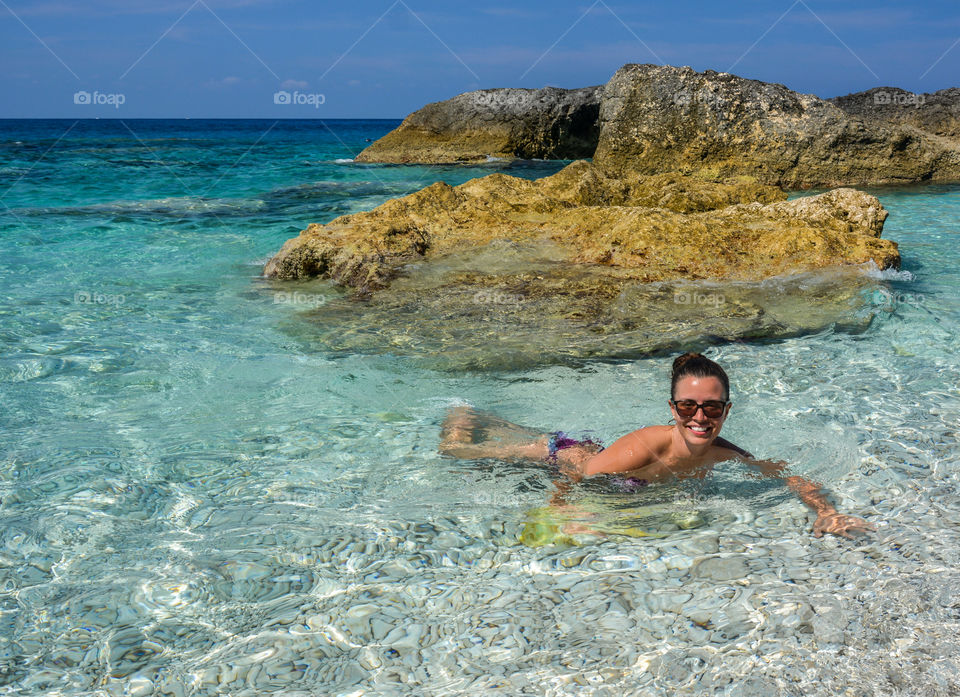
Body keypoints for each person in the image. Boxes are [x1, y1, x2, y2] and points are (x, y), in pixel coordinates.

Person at [439, 352, 875, 539]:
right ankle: (466, 415)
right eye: (688, 406)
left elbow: (787, 475)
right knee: (459, 452)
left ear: (726, 409)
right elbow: (580, 475)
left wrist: (826, 511)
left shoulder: (727, 452)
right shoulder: (648, 445)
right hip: (565, 456)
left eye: (712, 407)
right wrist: (561, 508)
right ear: (673, 408)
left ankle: (484, 419)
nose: (700, 417)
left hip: (613, 474)